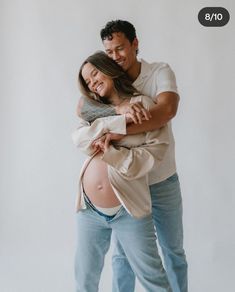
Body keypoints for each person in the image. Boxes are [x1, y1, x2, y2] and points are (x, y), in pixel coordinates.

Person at [77, 20, 188, 292]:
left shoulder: (158, 73)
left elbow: (165, 112)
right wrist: (119, 113)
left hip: (160, 180)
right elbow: (82, 111)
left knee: (171, 251)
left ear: (135, 43)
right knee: (121, 256)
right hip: (124, 188)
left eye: (120, 48)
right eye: (109, 52)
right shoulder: (108, 88)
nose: (116, 56)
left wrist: (116, 133)